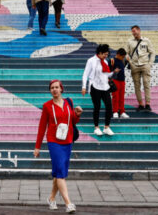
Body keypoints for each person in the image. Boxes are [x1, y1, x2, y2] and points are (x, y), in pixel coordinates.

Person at [33, 80, 82, 213]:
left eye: (57, 87)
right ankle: (68, 204)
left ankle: (51, 198)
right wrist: (37, 147)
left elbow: (73, 121)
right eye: (52, 88)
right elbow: (42, 127)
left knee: (59, 172)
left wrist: (77, 115)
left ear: (61, 89)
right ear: (50, 91)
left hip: (67, 141)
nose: (54, 90)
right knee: (60, 173)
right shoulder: (47, 106)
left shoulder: (69, 102)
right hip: (54, 142)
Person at [81, 44, 115, 136]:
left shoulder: (106, 62)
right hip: (95, 86)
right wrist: (84, 87)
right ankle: (96, 127)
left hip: (105, 86)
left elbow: (106, 75)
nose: (106, 56)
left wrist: (113, 71)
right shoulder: (91, 61)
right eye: (105, 54)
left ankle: (106, 127)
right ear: (99, 53)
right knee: (97, 107)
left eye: (107, 54)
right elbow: (85, 74)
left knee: (109, 106)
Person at [126, 25, 155, 111]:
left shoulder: (146, 40)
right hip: (134, 66)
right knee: (137, 85)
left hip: (145, 65)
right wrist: (131, 63)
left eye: (134, 31)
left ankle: (148, 104)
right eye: (132, 31)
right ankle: (140, 104)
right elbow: (126, 53)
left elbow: (152, 52)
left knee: (146, 84)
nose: (133, 33)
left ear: (139, 30)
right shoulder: (129, 41)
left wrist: (150, 64)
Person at [109, 48, 129, 119]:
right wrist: (114, 71)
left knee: (121, 97)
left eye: (124, 57)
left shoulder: (122, 60)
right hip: (115, 80)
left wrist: (127, 61)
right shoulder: (112, 61)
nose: (123, 58)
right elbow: (108, 72)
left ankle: (122, 112)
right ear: (118, 54)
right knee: (115, 97)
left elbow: (125, 67)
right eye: (122, 56)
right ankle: (115, 111)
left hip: (122, 80)